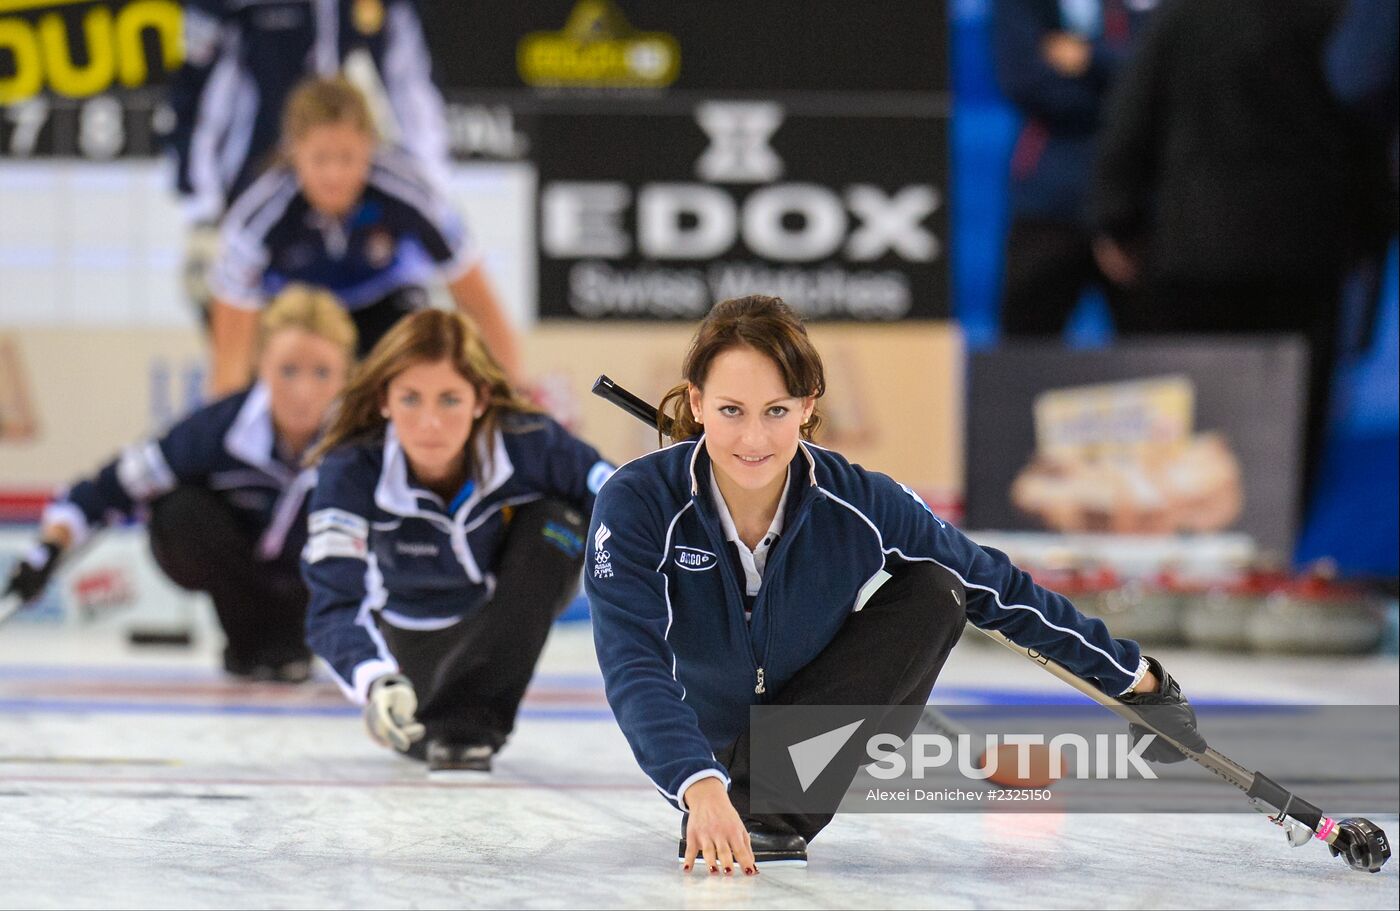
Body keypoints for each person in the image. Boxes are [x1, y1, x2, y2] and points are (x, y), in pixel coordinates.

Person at [584, 295, 1204, 874]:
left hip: (800, 756)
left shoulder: (858, 501)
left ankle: (771, 809)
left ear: (808, 404)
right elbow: (633, 660)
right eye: (731, 411)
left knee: (938, 588)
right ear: (695, 403)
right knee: (712, 760)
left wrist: (1139, 681)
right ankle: (737, 795)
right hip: (699, 758)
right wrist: (697, 782)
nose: (754, 439)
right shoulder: (637, 501)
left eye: (777, 411)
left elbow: (997, 588)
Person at [1090, 0, 1393, 509]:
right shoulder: (1333, 16)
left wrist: (1117, 220)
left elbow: (1133, 115)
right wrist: (1369, 234)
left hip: (1195, 251)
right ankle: (1279, 553)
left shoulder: (1182, 15)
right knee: (1293, 422)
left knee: (1190, 417)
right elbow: (1367, 133)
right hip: (1306, 253)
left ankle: (1191, 560)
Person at [302, 309, 613, 773]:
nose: (430, 422)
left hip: (499, 624)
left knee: (559, 521)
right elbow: (332, 603)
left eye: (449, 399)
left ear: (481, 398)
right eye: (411, 399)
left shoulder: (527, 440)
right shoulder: (349, 470)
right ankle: (442, 716)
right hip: (410, 643)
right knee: (416, 735)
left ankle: (472, 725)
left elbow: (618, 497)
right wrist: (376, 681)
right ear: (384, 399)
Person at [2, 285, 357, 682]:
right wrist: (47, 550)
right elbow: (108, 488)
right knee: (180, 512)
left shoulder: (365, 444)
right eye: (288, 370)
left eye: (322, 372)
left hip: (315, 588)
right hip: (239, 586)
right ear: (261, 364)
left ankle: (305, 645)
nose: (303, 391)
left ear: (347, 374)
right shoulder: (216, 429)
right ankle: (253, 644)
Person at [205, 76, 522, 397]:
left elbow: (479, 304)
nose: (334, 175)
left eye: (347, 158)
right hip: (296, 317)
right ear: (294, 151)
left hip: (385, 307)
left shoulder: (410, 191)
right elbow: (231, 344)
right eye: (320, 159)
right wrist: (222, 427)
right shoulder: (257, 215)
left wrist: (508, 398)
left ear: (369, 146)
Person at [166, 0, 454, 324]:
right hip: (261, 198)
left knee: (393, 344)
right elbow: (200, 97)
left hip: (366, 198)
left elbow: (412, 87)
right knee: (264, 357)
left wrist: (429, 190)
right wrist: (202, 210)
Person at [991, 0, 1156, 337]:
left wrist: (1089, 58)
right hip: (1047, 203)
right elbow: (1025, 78)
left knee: (1158, 361)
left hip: (1137, 207)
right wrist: (1119, 96)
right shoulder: (1021, 9)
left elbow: (1156, 72)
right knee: (1023, 356)